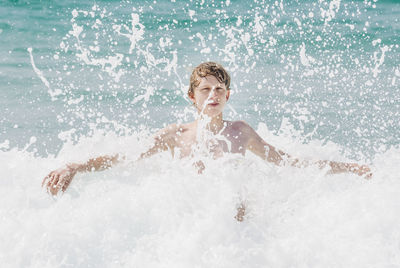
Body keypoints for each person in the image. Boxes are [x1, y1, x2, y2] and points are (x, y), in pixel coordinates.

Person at [42, 62, 372, 220]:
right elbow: (124, 156)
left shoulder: (240, 131)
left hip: (234, 226)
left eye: (218, 89)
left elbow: (288, 162)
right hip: (193, 222)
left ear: (228, 95)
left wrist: (350, 169)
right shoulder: (176, 134)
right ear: (192, 96)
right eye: (205, 89)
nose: (212, 94)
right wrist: (76, 165)